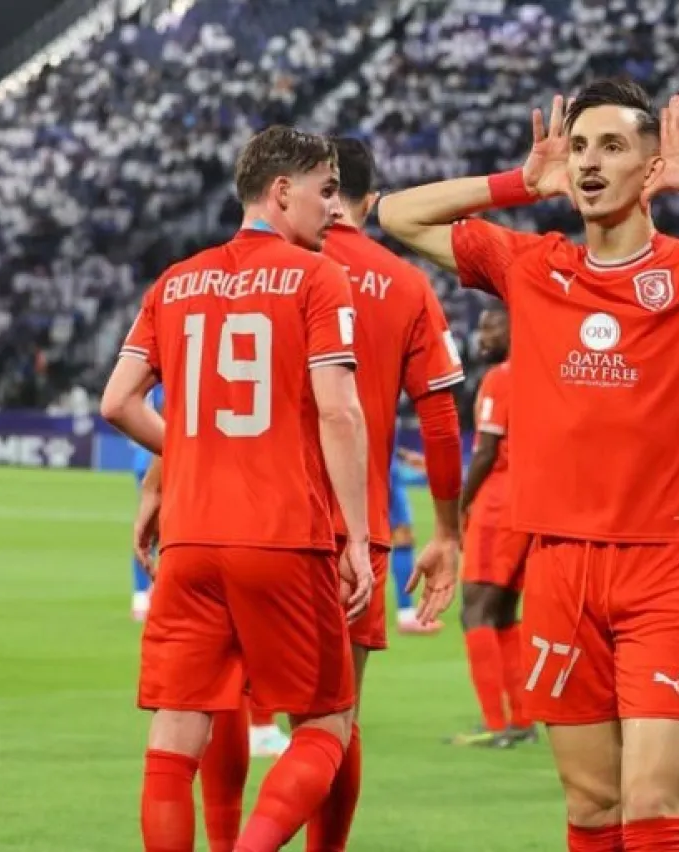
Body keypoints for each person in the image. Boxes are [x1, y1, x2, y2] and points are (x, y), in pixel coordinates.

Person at [378, 78, 679, 851]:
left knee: (652, 804)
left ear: (652, 167)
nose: (589, 162)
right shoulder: (532, 265)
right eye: (581, 147)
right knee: (592, 807)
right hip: (559, 567)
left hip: (666, 567)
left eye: (613, 146)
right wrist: (520, 183)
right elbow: (397, 213)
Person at [100, 125, 383, 852]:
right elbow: (341, 412)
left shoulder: (175, 281)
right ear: (281, 191)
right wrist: (356, 535)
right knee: (327, 722)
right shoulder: (318, 277)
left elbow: (118, 402)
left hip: (190, 540)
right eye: (325, 191)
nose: (335, 208)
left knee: (174, 737)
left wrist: (192, 452)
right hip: (282, 536)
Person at [188, 136, 464, 852]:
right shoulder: (403, 283)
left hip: (240, 514)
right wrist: (446, 530)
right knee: (334, 720)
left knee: (223, 694)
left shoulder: (253, 270)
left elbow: (207, 398)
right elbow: (439, 420)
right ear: (368, 198)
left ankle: (222, 840)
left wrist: (163, 481)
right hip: (350, 528)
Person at [450, 303, 536, 747]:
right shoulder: (543, 376)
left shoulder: (501, 379)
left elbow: (486, 450)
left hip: (499, 501)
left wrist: (460, 504)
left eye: (492, 327)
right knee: (503, 613)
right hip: (530, 503)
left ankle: (494, 723)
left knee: (474, 610)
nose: (482, 336)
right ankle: (521, 719)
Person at [390, 449, 444, 634]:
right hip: (380, 465)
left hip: (380, 460)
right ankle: (406, 615)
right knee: (402, 536)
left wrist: (401, 454)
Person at [129, 384, 163, 621]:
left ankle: (141, 594)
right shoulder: (169, 378)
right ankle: (148, 593)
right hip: (162, 456)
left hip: (145, 457)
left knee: (149, 530)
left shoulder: (147, 376)